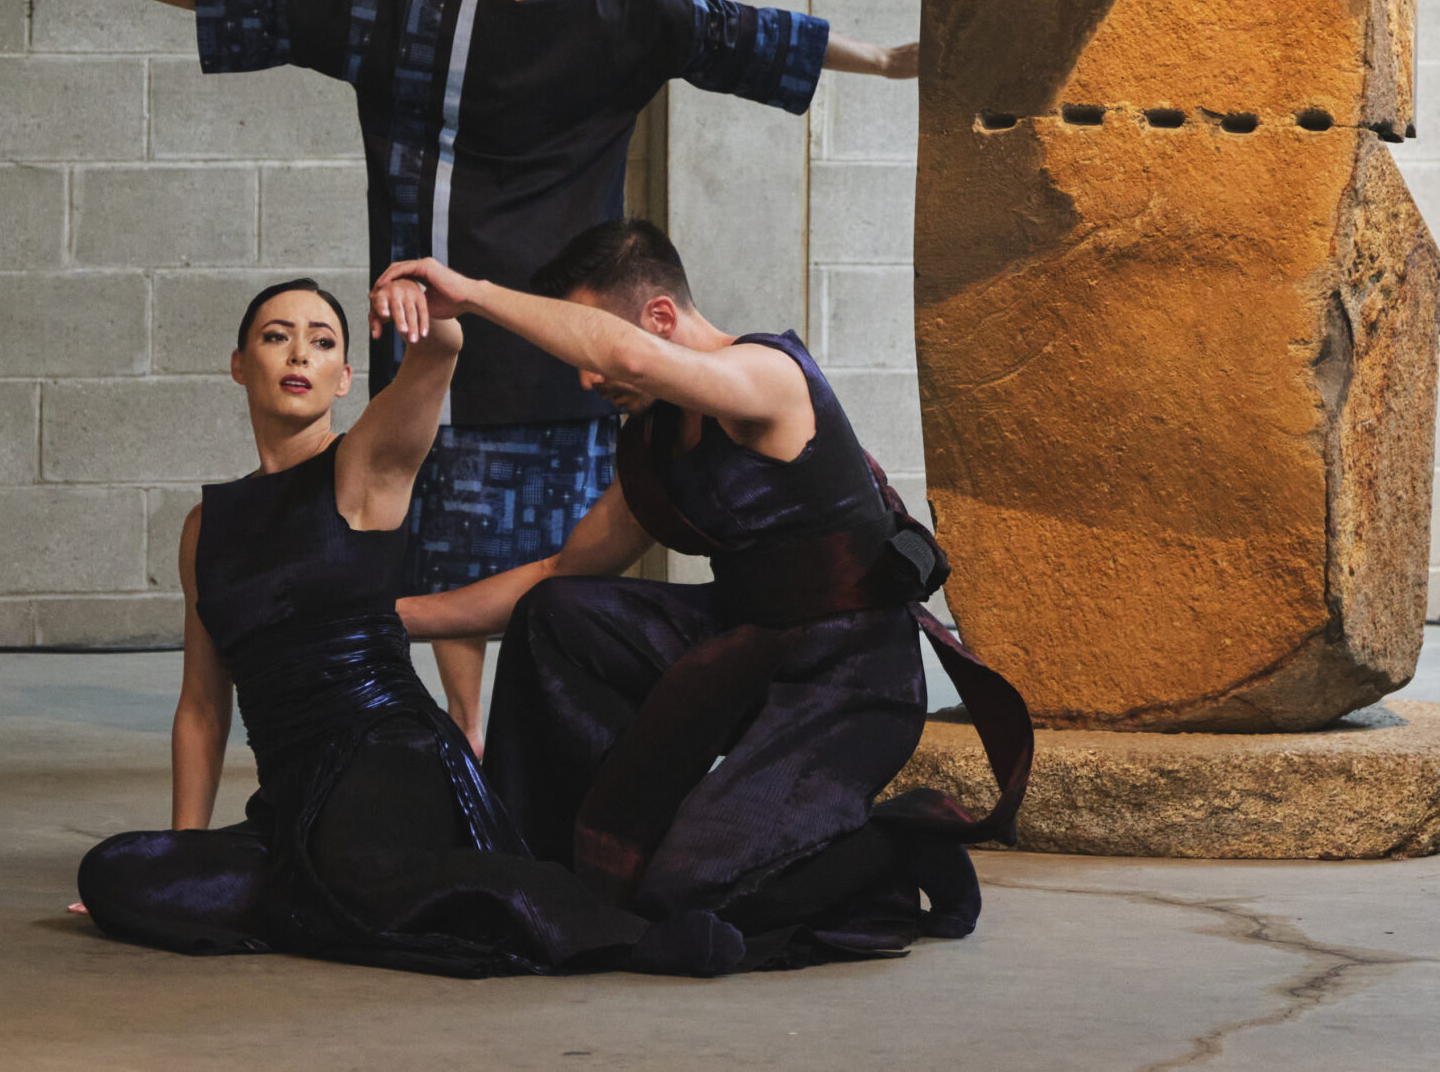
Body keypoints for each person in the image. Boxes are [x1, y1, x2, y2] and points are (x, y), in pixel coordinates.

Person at [62, 0, 916, 751]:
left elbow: (292, 12)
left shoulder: (423, 14)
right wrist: (892, 61)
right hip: (573, 344)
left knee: (439, 544)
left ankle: (464, 729)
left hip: (441, 331)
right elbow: (749, 32)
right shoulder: (634, 11)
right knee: (567, 566)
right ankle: (544, 732)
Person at [379, 221, 1032, 970]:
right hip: (743, 649)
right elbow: (556, 575)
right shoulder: (657, 440)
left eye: (594, 341)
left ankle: (899, 845)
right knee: (557, 616)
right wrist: (392, 618)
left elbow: (620, 354)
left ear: (659, 318)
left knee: (687, 892)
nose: (588, 378)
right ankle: (550, 861)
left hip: (851, 679)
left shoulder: (768, 375)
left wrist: (474, 295)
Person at [73, 276, 738, 977]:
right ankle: (313, 897)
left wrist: (437, 318)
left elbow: (437, 360)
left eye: (322, 341)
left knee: (359, 874)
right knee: (114, 872)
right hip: (292, 794)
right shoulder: (205, 529)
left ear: (343, 378)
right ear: (241, 364)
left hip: (389, 751)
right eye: (276, 337)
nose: (299, 353)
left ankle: (626, 936)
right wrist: (184, 856)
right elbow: (203, 709)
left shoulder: (364, 467)